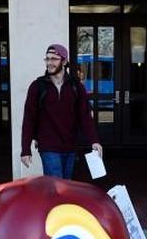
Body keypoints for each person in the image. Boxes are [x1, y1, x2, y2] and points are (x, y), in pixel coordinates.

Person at [20, 44, 102, 179]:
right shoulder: (37, 86)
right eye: (47, 59)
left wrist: (94, 140)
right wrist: (25, 149)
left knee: (66, 184)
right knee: (56, 184)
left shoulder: (76, 87)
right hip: (48, 146)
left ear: (64, 61)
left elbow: (85, 116)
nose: (49, 63)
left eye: (53, 59)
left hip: (70, 145)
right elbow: (29, 119)